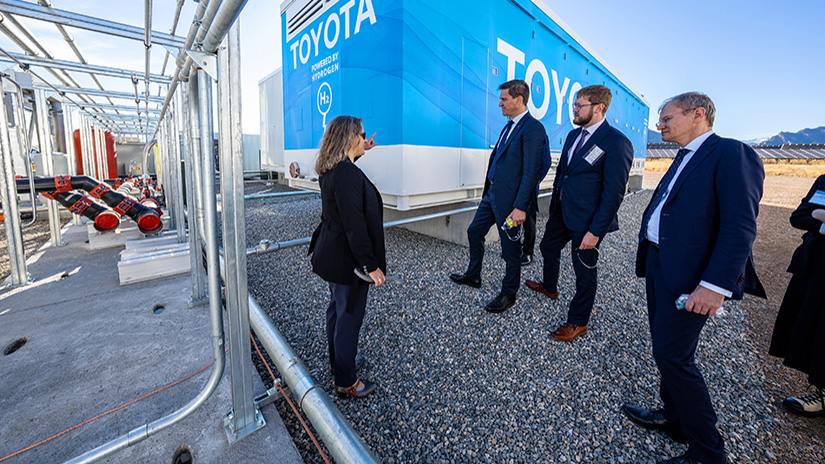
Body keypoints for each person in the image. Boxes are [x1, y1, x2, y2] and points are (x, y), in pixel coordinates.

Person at [621, 92, 765, 464]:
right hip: (660, 264)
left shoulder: (732, 154)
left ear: (698, 114)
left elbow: (740, 227)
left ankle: (707, 451)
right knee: (666, 350)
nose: (659, 125)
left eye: (667, 118)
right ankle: (675, 419)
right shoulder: (684, 155)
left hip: (693, 277)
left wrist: (714, 286)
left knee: (674, 356)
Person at [524, 84, 633, 341]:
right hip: (562, 210)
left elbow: (614, 193)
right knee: (547, 246)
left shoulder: (616, 142)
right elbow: (565, 171)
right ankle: (550, 287)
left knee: (584, 271)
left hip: (588, 220)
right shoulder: (574, 136)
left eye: (578, 106)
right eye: (573, 105)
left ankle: (578, 321)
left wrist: (596, 231)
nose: (573, 110)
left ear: (599, 108)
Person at [448, 79, 545, 313]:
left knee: (510, 249)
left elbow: (533, 171)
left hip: (512, 203)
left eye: (504, 99)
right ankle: (473, 275)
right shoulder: (509, 125)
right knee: (474, 231)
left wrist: (521, 207)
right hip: (492, 195)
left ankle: (509, 293)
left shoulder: (532, 128)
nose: (499, 103)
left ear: (519, 100)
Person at [308, 115, 383, 399]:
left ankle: (341, 363)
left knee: (337, 311)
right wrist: (371, 265)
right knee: (349, 317)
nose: (365, 138)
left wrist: (363, 151)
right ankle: (346, 381)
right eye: (361, 135)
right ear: (349, 138)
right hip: (347, 261)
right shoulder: (347, 175)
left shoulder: (332, 170)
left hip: (331, 255)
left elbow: (347, 177)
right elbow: (355, 225)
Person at [769, 174, 825, 417]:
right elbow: (799, 216)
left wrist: (818, 215)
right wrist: (821, 223)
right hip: (816, 269)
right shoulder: (824, 182)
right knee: (815, 329)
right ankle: (823, 393)